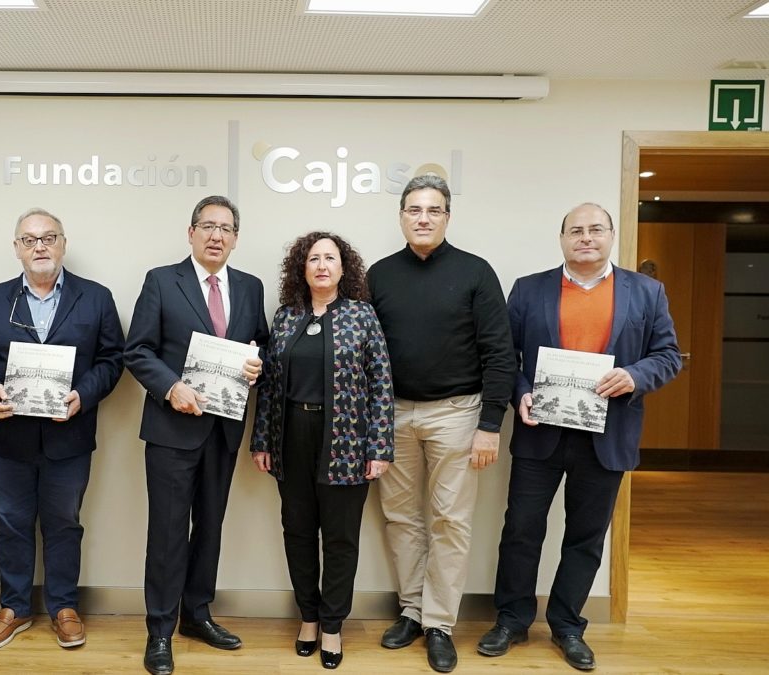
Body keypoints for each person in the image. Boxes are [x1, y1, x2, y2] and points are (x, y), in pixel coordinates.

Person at [476, 203, 680, 671]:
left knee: (585, 537)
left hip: (607, 436)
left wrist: (634, 375)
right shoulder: (529, 290)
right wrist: (520, 394)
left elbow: (667, 355)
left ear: (610, 235)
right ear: (562, 238)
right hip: (540, 431)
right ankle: (511, 620)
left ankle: (568, 625)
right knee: (522, 530)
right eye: (575, 231)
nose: (585, 238)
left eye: (595, 230)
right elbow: (504, 355)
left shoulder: (646, 292)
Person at [367, 174, 517, 673]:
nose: (423, 218)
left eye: (433, 210)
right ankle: (412, 609)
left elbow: (500, 352)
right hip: (391, 415)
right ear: (402, 217)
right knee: (401, 517)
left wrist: (490, 423)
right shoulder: (380, 275)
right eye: (414, 210)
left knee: (450, 521)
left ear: (448, 217)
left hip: (458, 414)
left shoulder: (475, 272)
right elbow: (365, 352)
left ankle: (440, 623)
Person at [0, 208, 124, 651]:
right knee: (11, 523)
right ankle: (14, 607)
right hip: (9, 437)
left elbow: (113, 360)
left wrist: (82, 396)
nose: (40, 246)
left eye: (49, 237)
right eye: (30, 239)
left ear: (63, 244)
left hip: (69, 437)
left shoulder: (96, 297)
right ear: (16, 248)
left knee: (64, 524)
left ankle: (64, 607)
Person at [124, 195, 269, 675]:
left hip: (223, 430)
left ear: (235, 239)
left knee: (210, 526)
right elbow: (138, 350)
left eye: (226, 228)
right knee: (167, 532)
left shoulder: (250, 287)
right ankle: (160, 630)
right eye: (207, 226)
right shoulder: (162, 281)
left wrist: (257, 365)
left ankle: (197, 615)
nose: (216, 236)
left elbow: (262, 347)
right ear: (190, 233)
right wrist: (171, 388)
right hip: (172, 428)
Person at [250, 232, 394, 670]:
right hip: (290, 436)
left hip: (347, 441)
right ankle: (308, 619)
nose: (322, 265)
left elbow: (381, 385)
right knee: (297, 531)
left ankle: (332, 625)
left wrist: (380, 446)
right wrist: (262, 440)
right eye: (313, 258)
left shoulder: (362, 316)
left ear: (344, 268)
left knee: (340, 537)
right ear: (302, 268)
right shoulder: (286, 316)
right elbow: (270, 386)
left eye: (330, 258)